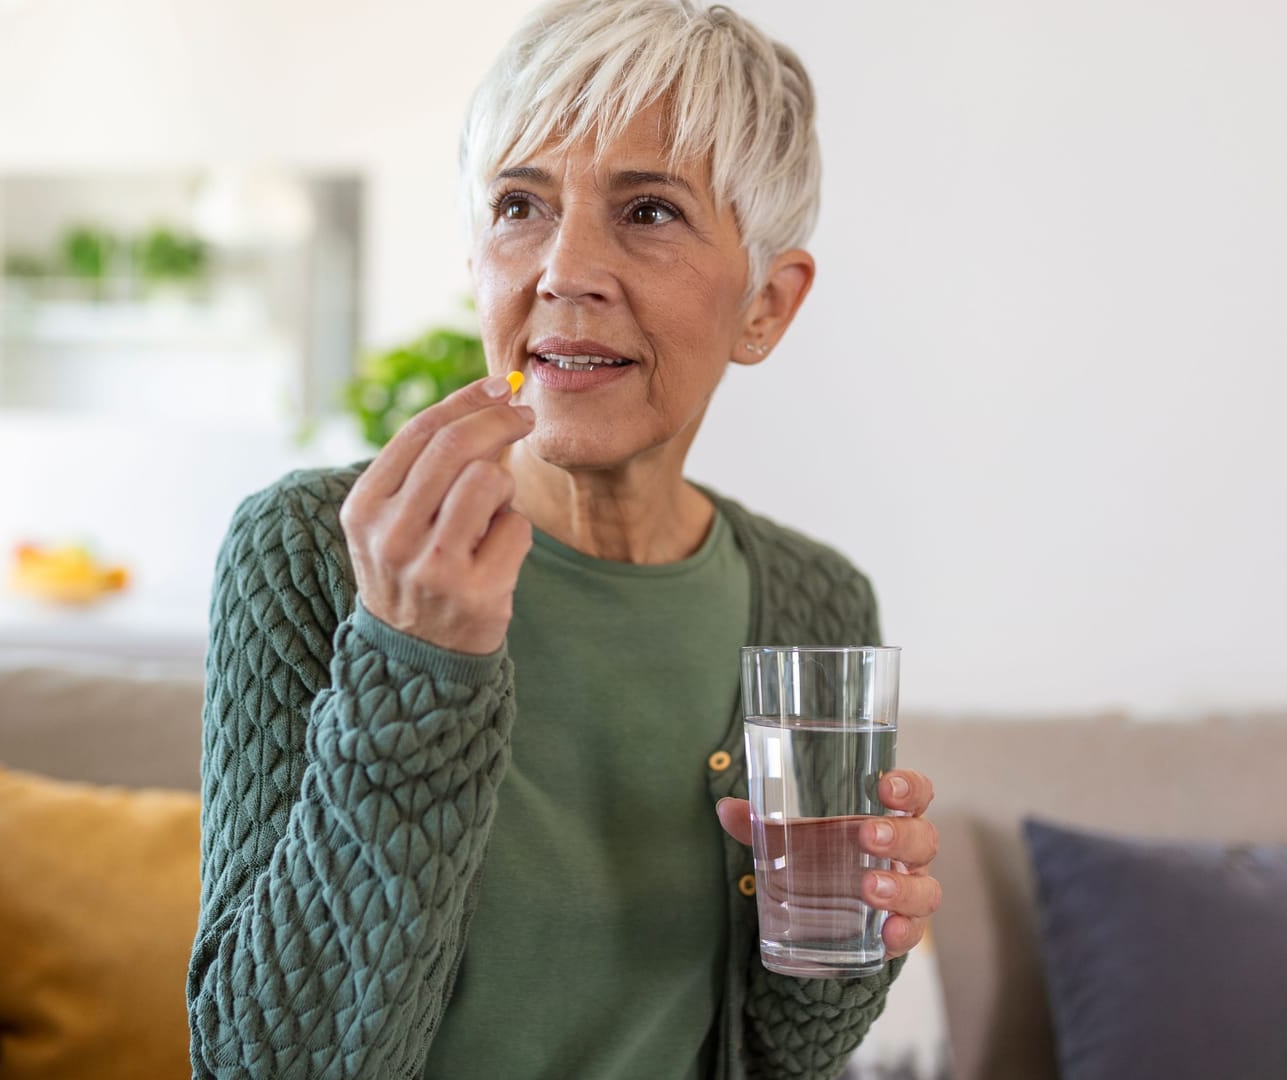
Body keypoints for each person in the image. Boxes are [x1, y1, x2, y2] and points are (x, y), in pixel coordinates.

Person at [187, 1, 943, 1075]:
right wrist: (416, 661)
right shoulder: (316, 551)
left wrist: (859, 931)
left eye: (648, 212)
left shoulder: (814, 600)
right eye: (518, 205)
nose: (564, 269)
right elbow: (263, 1067)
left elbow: (784, 1056)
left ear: (766, 305)